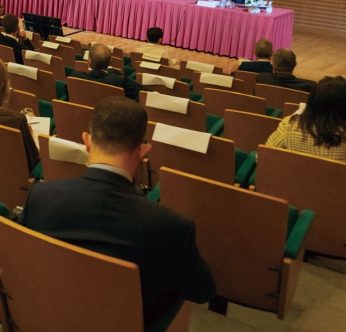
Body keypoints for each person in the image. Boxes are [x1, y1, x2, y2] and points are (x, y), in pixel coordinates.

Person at [19, 97, 216, 328]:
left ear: (87, 141)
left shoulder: (40, 197)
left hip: (52, 319)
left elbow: (21, 261)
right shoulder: (172, 228)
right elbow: (202, 291)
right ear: (142, 151)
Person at [266, 76, 346, 183]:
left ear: (312, 101)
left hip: (293, 192)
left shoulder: (290, 124)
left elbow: (264, 156)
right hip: (338, 196)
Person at [75, 43, 144, 101]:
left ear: (89, 61)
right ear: (110, 61)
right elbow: (141, 92)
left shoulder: (76, 76)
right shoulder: (120, 81)